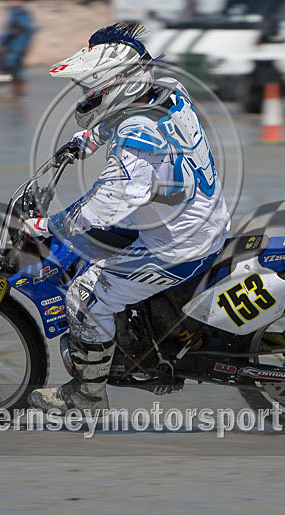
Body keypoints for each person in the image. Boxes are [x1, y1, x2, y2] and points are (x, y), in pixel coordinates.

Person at [26, 23, 230, 413]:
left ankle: (87, 396)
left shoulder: (136, 136)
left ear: (113, 84)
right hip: (204, 218)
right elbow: (128, 115)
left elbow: (110, 201)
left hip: (179, 246)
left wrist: (50, 225)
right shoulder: (169, 90)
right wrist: (90, 139)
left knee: (84, 297)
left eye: (91, 89)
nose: (86, 97)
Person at [0, 0, 35, 98]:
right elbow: (31, 31)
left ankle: (9, 92)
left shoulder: (15, 13)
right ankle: (18, 92)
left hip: (13, 46)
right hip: (21, 45)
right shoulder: (26, 13)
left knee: (7, 68)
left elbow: (9, 31)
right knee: (18, 69)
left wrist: (1, 43)